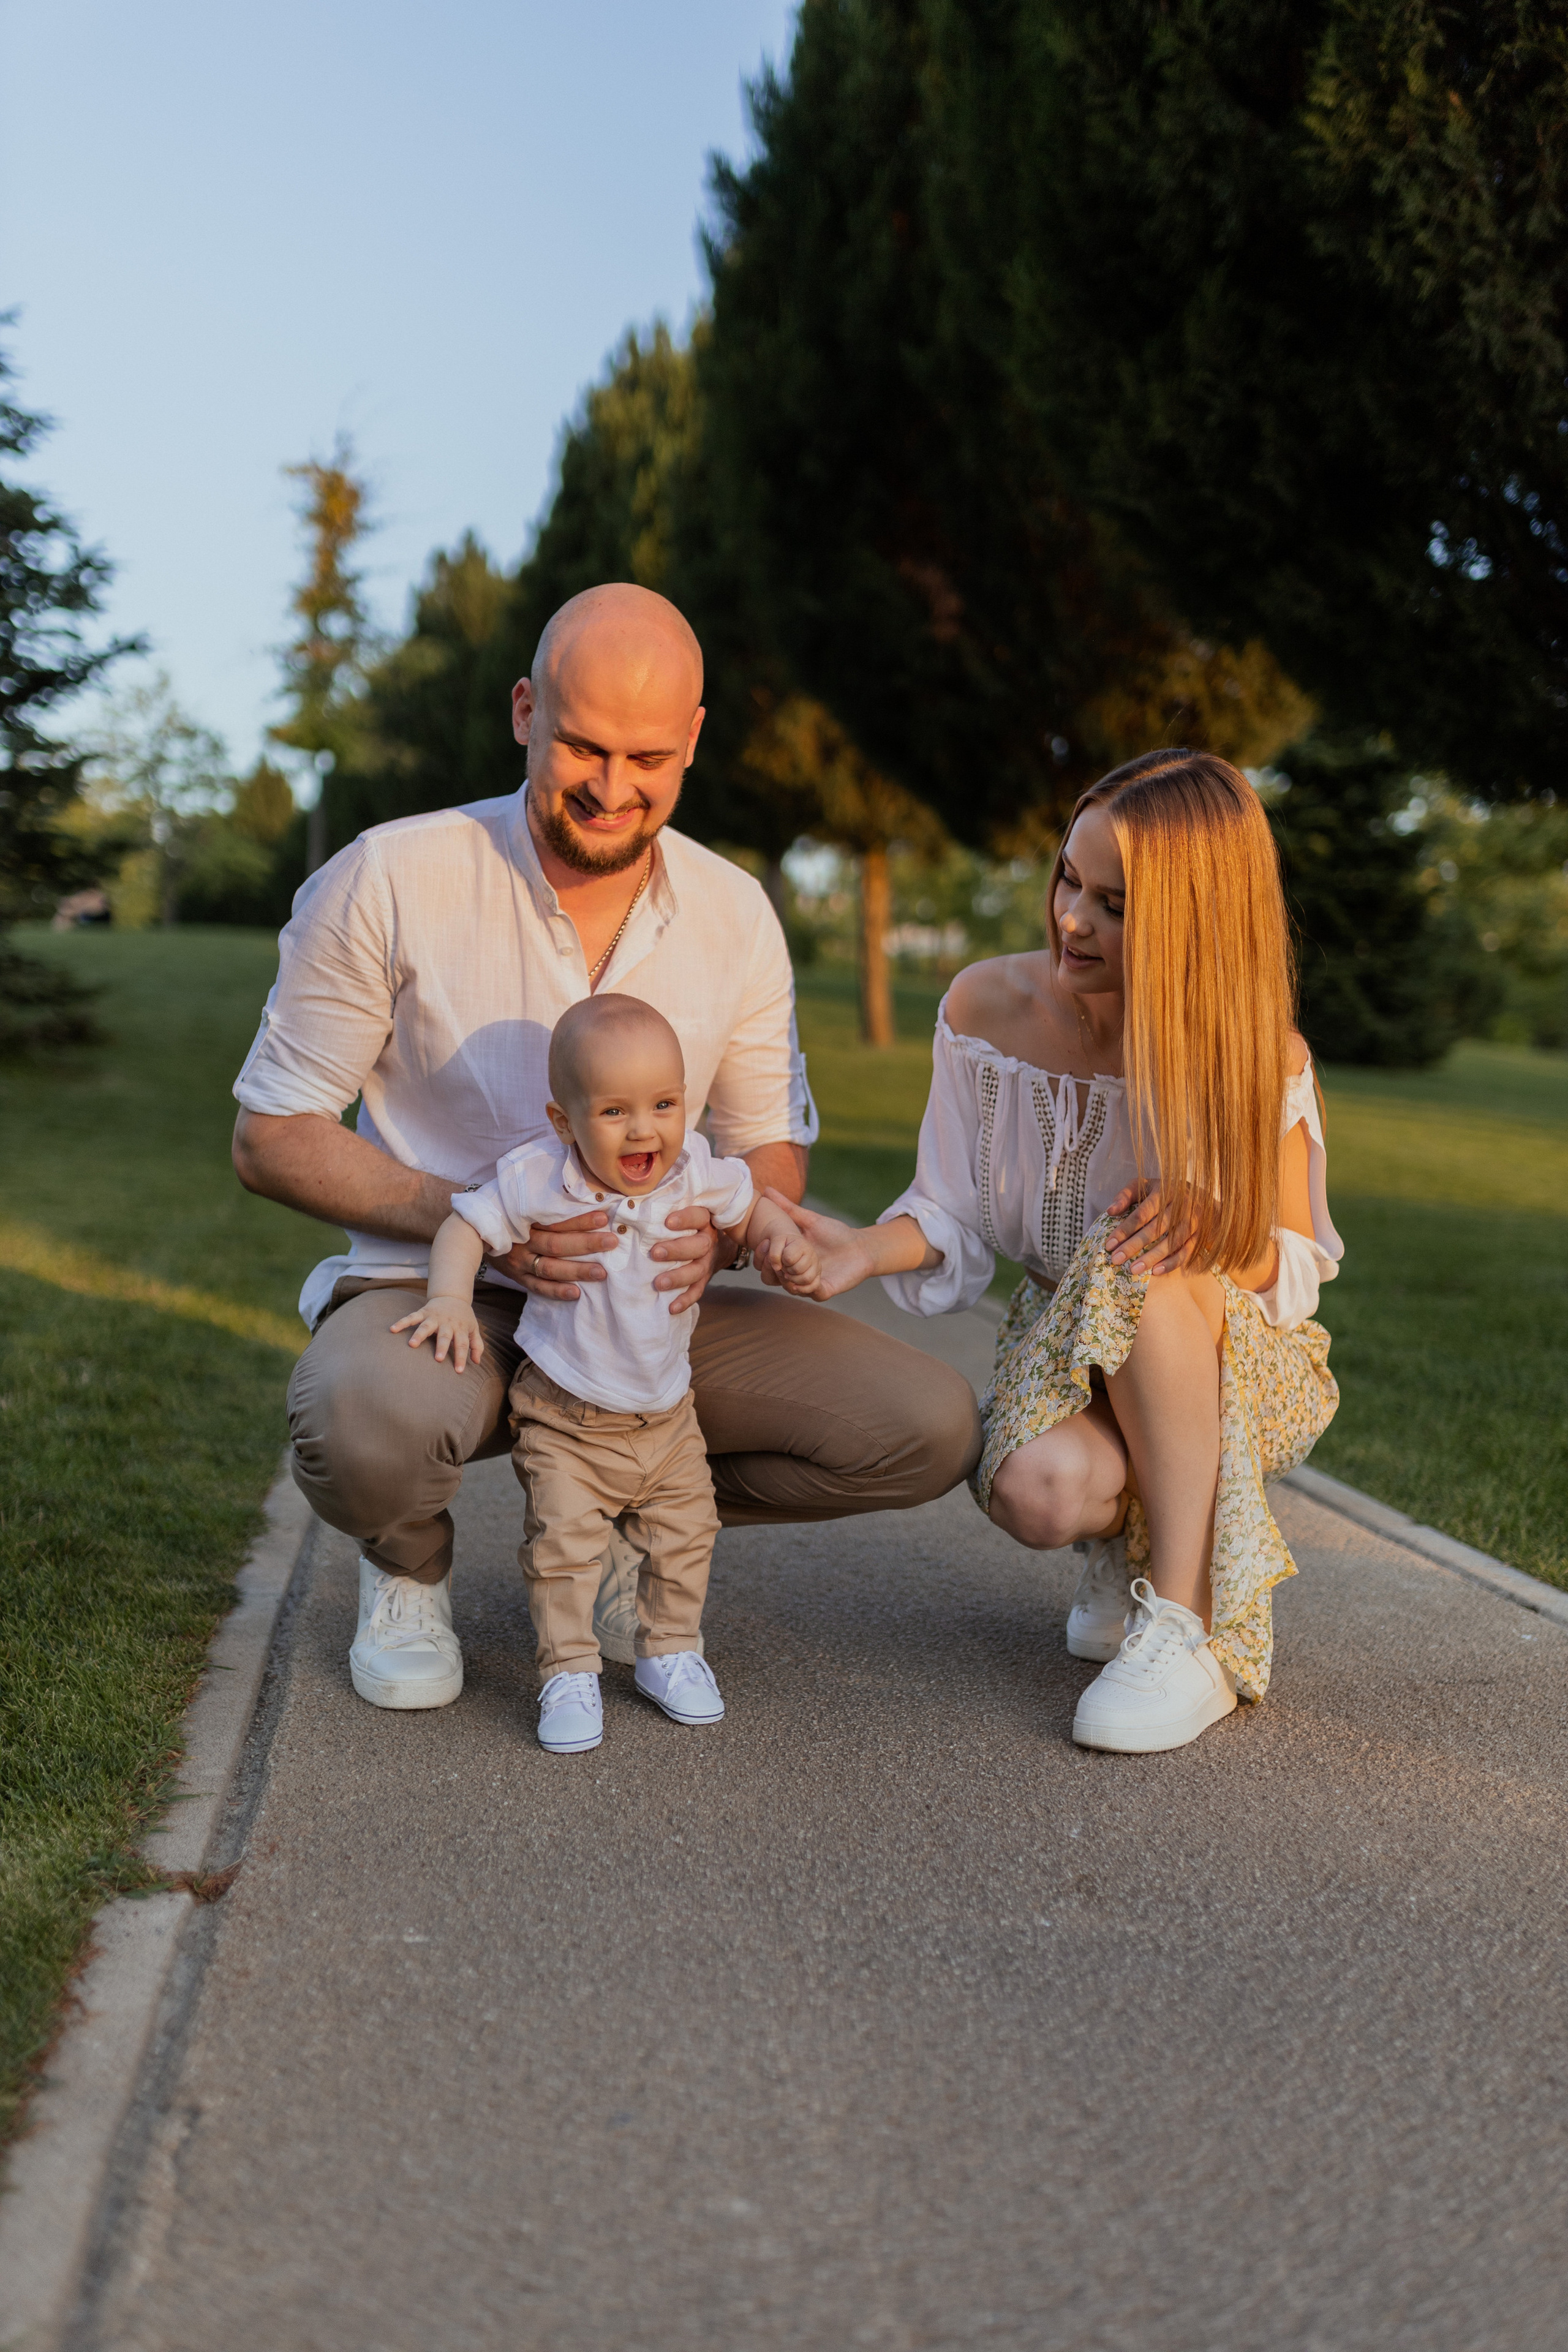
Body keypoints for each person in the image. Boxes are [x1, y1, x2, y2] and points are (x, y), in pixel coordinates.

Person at [232, 582, 979, 1708]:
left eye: (648, 758)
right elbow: (273, 1137)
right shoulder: (391, 877)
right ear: (526, 710)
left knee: (924, 1431)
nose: (612, 789)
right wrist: (486, 1227)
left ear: (692, 743)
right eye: (583, 745)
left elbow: (769, 1153)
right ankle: (406, 1568)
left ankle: (640, 1522)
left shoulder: (736, 914)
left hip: (653, 1318)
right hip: (446, 1300)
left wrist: (720, 1244)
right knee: (360, 1425)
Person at [766, 750, 1343, 1754]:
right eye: (1068, 880)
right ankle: (1140, 1532)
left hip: (1235, 1360)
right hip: (1068, 1338)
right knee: (1037, 1491)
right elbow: (949, 1206)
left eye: (1115, 905)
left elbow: (1292, 1268)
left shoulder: (1256, 1049)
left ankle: (1190, 1626)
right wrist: (864, 1248)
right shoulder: (985, 1010)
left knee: (1151, 1266)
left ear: (1194, 920)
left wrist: (1212, 1228)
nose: (1072, 919)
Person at [389, 993, 820, 1754]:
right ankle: (569, 1668)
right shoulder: (540, 1178)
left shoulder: (696, 1174)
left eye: (664, 1103)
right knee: (562, 1547)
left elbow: (755, 1208)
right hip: (566, 1412)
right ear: (565, 1122)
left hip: (666, 1414)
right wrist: (450, 1297)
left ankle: (671, 1651)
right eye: (615, 1112)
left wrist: (779, 1239)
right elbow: (465, 1223)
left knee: (687, 1535)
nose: (645, 1128)